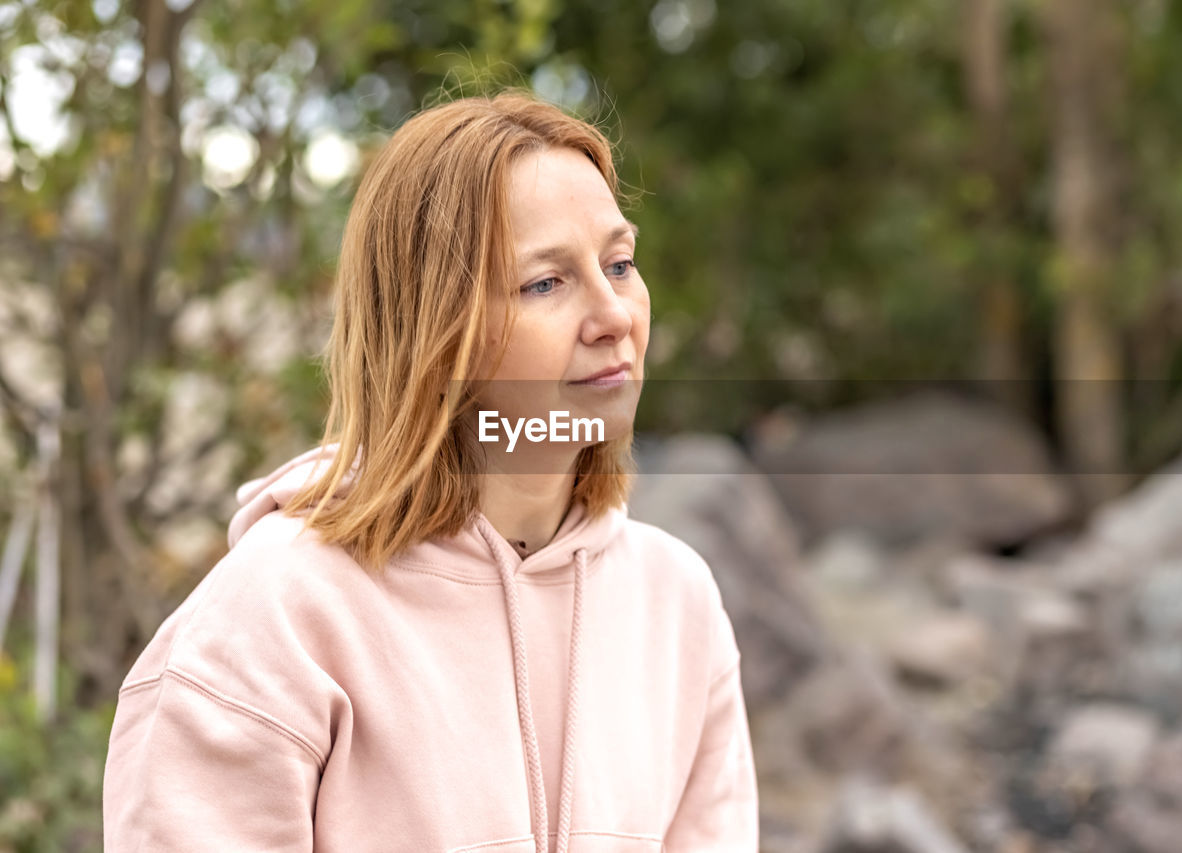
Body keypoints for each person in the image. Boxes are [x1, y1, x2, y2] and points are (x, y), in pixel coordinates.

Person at [102, 89, 758, 852]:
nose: (615, 312)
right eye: (545, 281)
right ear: (436, 330)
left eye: (619, 263)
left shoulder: (676, 602)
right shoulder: (271, 620)